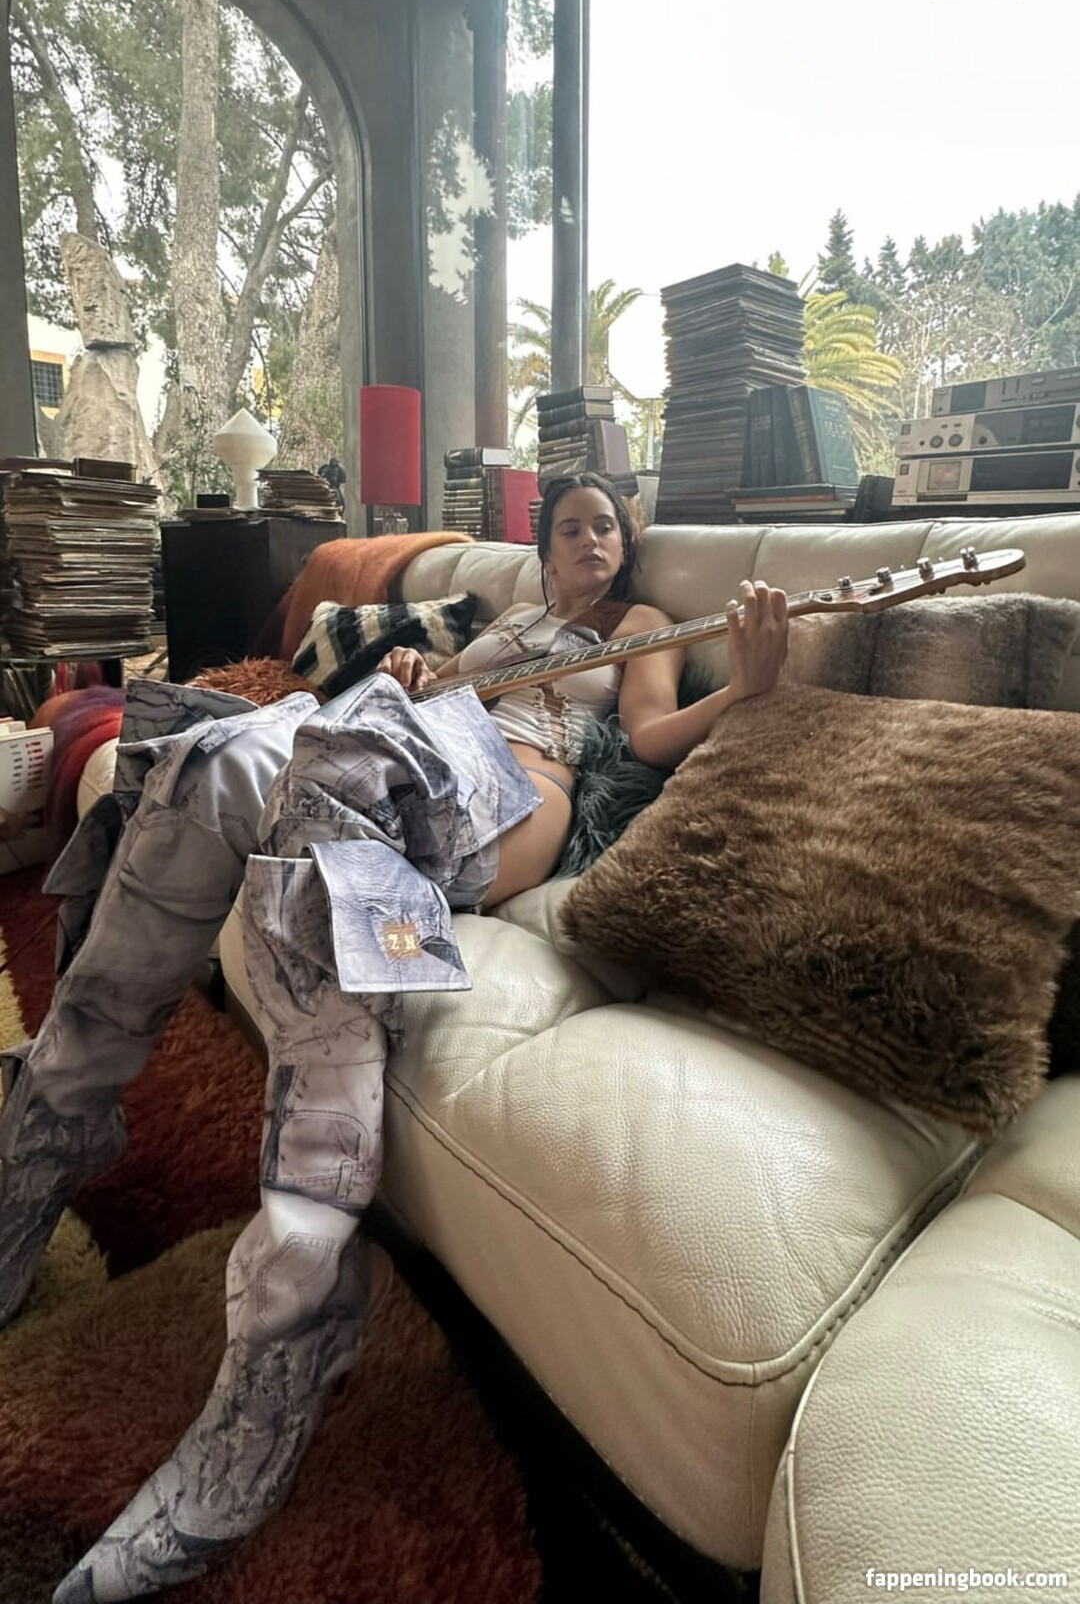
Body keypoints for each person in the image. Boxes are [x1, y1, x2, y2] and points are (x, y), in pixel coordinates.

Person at [0, 473, 789, 1603]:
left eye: (608, 526)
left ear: (627, 544)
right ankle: (50, 1137)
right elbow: (415, 701)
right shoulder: (509, 623)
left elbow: (654, 734)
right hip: (406, 749)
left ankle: (292, 1317)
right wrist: (417, 674)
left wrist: (747, 692)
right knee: (213, 765)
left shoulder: (639, 624)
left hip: (518, 789)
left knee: (324, 795)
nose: (591, 541)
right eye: (571, 527)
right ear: (543, 549)